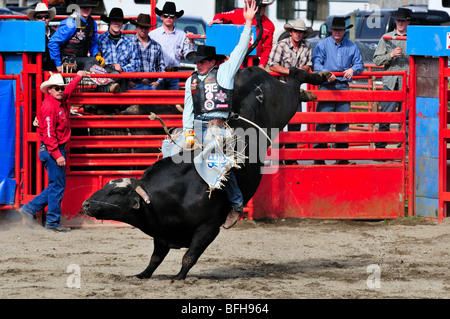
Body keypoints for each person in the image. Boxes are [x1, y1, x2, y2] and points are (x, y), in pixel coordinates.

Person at [183, 0, 257, 229]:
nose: (199, 65)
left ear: (213, 62)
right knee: (182, 159)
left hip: (218, 126)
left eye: (203, 62)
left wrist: (247, 23)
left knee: (216, 161)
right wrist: (187, 133)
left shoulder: (224, 73)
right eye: (197, 62)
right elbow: (188, 109)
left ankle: (236, 204)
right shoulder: (191, 81)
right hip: (198, 125)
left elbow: (239, 51)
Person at [18, 71, 88, 232]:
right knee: (57, 186)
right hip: (53, 150)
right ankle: (52, 222)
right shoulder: (50, 107)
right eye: (56, 88)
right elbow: (49, 135)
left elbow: (69, 90)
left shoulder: (58, 101)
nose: (60, 90)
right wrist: (57, 154)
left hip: (51, 149)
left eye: (61, 88)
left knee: (56, 185)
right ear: (49, 89)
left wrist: (78, 77)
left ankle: (29, 209)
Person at [311, 16, 364, 165]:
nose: (337, 32)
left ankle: (341, 157)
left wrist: (353, 69)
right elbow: (316, 64)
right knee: (323, 121)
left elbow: (360, 64)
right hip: (327, 85)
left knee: (343, 122)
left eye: (340, 30)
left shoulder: (351, 46)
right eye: (335, 29)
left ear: (344, 31)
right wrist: (326, 73)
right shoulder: (323, 45)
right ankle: (319, 157)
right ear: (331, 30)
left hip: (342, 86)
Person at [268, 19, 313, 161]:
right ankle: (278, 156)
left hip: (295, 92)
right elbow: (272, 65)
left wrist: (297, 72)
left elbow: (308, 65)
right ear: (291, 32)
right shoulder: (281, 45)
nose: (298, 34)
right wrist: (292, 73)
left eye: (300, 32)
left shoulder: (307, 46)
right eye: (296, 31)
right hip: (280, 90)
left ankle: (291, 157)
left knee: (295, 124)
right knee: (278, 124)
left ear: (303, 34)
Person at [373, 7, 411, 151]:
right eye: (399, 20)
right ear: (396, 21)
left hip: (408, 84)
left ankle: (405, 148)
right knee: (386, 116)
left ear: (408, 22)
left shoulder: (413, 38)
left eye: (403, 21)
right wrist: (391, 55)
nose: (400, 23)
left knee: (407, 118)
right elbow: (376, 60)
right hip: (390, 83)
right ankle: (381, 147)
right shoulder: (386, 38)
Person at [209, 0, 275, 69]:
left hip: (253, 62)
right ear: (251, 5)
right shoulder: (238, 13)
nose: (261, 9)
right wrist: (217, 20)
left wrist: (262, 64)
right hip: (234, 60)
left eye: (264, 6)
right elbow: (220, 16)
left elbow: (267, 49)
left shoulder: (269, 25)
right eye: (259, 6)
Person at [48, 0, 103, 73]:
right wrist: (58, 64)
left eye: (88, 7)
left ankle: (110, 81)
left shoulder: (92, 23)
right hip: (67, 60)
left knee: (109, 69)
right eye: (82, 7)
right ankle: (106, 83)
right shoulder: (71, 23)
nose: (85, 9)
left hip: (83, 59)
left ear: (91, 8)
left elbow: (93, 43)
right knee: (91, 62)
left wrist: (97, 55)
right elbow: (53, 43)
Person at [149, 2, 195, 90]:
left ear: (175, 18)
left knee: (173, 102)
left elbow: (188, 56)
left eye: (172, 15)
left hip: (174, 74)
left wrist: (191, 42)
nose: (168, 17)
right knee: (158, 102)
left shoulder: (182, 35)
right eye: (166, 15)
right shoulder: (153, 35)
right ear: (161, 17)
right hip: (157, 74)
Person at [98, 7, 140, 92]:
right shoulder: (100, 40)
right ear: (109, 22)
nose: (117, 23)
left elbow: (136, 63)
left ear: (122, 24)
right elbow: (94, 61)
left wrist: (123, 69)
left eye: (119, 21)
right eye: (114, 20)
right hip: (104, 79)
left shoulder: (129, 42)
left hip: (123, 80)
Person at [129, 13, 166, 90]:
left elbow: (161, 66)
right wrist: (128, 81)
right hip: (134, 84)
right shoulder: (129, 43)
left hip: (151, 85)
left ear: (149, 28)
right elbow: (124, 63)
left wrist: (158, 82)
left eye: (146, 28)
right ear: (136, 26)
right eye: (141, 27)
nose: (144, 30)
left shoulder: (156, 46)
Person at [27, 2, 57, 71]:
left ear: (49, 19)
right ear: (35, 19)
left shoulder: (55, 33)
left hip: (53, 71)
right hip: (37, 73)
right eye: (40, 17)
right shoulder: (31, 35)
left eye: (46, 17)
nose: (43, 19)